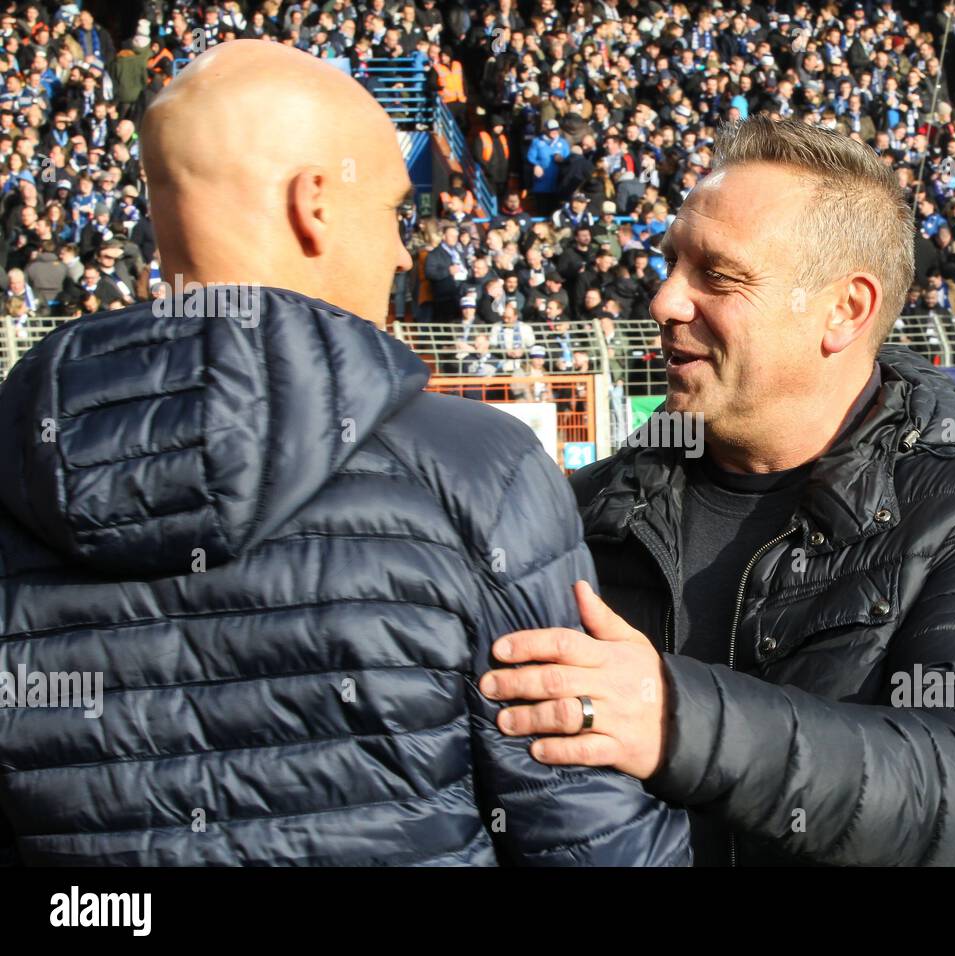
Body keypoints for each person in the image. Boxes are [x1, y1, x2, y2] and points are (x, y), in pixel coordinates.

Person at [0, 40, 689, 868]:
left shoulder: (18, 467)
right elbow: (584, 834)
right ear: (315, 204)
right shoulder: (477, 471)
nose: (405, 253)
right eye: (395, 210)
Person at [479, 116, 955, 866]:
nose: (665, 301)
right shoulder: (587, 509)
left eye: (719, 275)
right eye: (672, 263)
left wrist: (673, 716)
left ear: (844, 311)